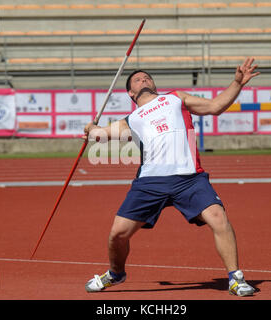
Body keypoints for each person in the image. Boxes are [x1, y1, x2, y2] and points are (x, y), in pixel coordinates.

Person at [83, 57, 260, 297]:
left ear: (154, 84)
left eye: (147, 77)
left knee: (218, 218)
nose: (143, 79)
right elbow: (100, 135)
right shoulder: (131, 119)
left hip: (189, 178)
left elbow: (215, 106)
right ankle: (116, 273)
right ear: (130, 93)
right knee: (117, 234)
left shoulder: (175, 98)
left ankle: (236, 279)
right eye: (137, 79)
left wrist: (237, 83)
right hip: (150, 182)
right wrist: (91, 129)